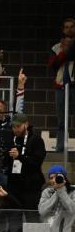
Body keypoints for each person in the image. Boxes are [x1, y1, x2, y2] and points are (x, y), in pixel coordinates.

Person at [3, 113, 45, 232]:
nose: (15, 129)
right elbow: (7, 163)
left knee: (33, 220)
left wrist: (20, 156)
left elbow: (37, 162)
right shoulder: (10, 139)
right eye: (13, 126)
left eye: (18, 126)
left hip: (31, 188)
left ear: (26, 124)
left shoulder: (36, 140)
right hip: (14, 187)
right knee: (15, 223)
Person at [48, 18, 75, 152]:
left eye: (72, 26)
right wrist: (64, 51)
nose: (69, 29)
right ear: (63, 29)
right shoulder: (56, 47)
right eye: (66, 27)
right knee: (61, 119)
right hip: (61, 85)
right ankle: (60, 147)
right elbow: (52, 65)